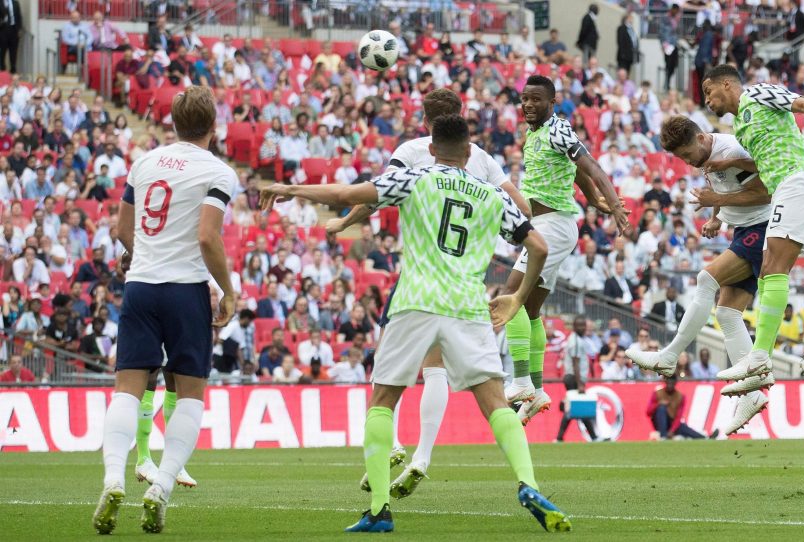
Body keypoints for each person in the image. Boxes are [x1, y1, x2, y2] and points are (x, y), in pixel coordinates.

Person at [259, 114, 569, 533]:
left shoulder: (415, 178)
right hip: (468, 306)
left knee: (383, 400)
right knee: (495, 402)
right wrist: (516, 296)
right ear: (469, 152)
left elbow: (345, 192)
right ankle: (528, 483)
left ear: (431, 148)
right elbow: (539, 246)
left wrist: (289, 187)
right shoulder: (492, 194)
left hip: (416, 301)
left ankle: (379, 510)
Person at [325, 88, 532, 492]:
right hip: (466, 279)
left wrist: (344, 222)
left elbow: (378, 195)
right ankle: (422, 455)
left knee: (388, 375)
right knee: (438, 369)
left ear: (425, 123)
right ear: (462, 119)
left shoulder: (413, 151)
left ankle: (391, 448)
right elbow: (521, 209)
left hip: (422, 277)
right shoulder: (481, 159)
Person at [93, 86, 237, 535]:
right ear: (214, 127)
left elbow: (121, 227)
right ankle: (162, 488)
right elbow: (207, 238)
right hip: (184, 291)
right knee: (190, 393)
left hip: (140, 289)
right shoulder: (218, 171)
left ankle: (114, 477)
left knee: (127, 390)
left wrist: (141, 252)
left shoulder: (145, 162)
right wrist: (229, 291)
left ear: (173, 124)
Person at [627, 116, 773, 434]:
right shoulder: (708, 157)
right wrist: (717, 217)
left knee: (706, 279)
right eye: (679, 158)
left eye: (687, 153)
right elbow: (723, 185)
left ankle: (670, 355)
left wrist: (718, 202)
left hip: (764, 226)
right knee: (727, 312)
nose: (687, 161)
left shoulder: (733, 151)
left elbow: (767, 191)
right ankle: (751, 393)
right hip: (744, 228)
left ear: (703, 138)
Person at [503, 74, 630, 427]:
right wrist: (594, 200)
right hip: (549, 226)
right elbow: (575, 174)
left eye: (536, 99)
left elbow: (590, 166)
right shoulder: (534, 134)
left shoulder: (558, 129)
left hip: (552, 228)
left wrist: (615, 204)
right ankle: (539, 389)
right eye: (524, 98)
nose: (528, 104)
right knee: (528, 310)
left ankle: (521, 382)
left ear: (551, 102)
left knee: (508, 296)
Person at [701, 65, 804, 391]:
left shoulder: (757, 93)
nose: (707, 101)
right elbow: (758, 164)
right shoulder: (740, 127)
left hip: (800, 179)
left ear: (726, 84)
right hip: (787, 188)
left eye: (708, 92)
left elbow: (798, 103)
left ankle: (761, 356)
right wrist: (729, 165)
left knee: (774, 267)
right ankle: (760, 355)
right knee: (771, 269)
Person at [555, 315, 599, 441]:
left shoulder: (578, 339)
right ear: (574, 327)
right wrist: (580, 383)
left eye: (583, 325)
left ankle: (592, 436)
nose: (582, 328)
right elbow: (575, 363)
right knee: (575, 407)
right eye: (579, 325)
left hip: (574, 378)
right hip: (573, 378)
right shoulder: (575, 341)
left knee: (577, 407)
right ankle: (593, 436)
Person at [647, 375, 718, 440]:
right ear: (665, 382)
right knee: (661, 409)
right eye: (668, 382)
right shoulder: (658, 393)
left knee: (684, 428)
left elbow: (678, 417)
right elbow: (648, 412)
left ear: (675, 383)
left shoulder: (680, 396)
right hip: (659, 423)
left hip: (671, 423)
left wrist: (672, 430)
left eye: (672, 383)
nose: (670, 385)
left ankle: (706, 438)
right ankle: (663, 437)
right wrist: (658, 404)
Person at [0, 0, 22, 73]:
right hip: (3, 30)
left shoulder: (15, 3)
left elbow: (19, 16)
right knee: (2, 52)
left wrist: (19, 29)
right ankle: (2, 70)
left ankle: (13, 70)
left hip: (14, 31)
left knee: (13, 52)